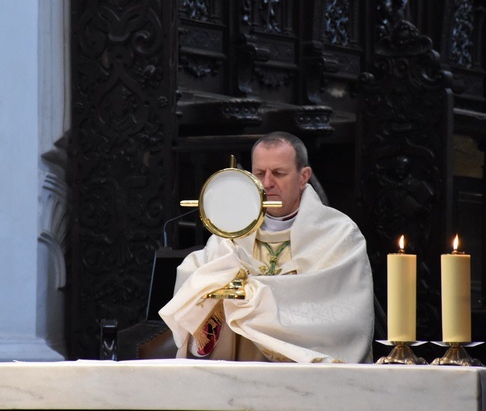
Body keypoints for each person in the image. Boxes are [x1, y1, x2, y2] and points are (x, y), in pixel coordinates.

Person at [159, 132, 375, 363]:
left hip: (305, 376)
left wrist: (251, 295)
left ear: (304, 177)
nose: (267, 183)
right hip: (237, 371)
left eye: (279, 173)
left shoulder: (338, 234)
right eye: (259, 173)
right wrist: (210, 287)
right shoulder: (231, 231)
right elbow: (198, 280)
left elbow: (340, 311)